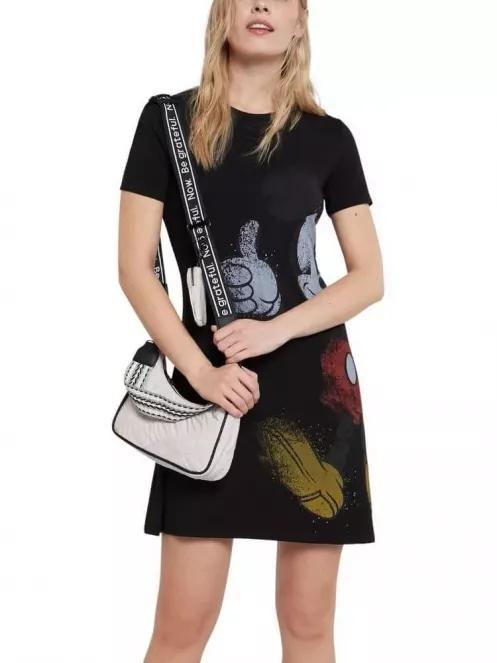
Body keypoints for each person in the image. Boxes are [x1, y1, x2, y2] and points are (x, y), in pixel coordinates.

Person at [118, 0, 383, 661]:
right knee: (180, 630)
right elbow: (134, 268)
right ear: (223, 14)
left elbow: (367, 278)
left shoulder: (328, 138)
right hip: (211, 391)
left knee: (309, 626)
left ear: (299, 21)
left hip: (314, 396)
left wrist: (275, 330)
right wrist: (201, 372)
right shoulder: (167, 122)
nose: (262, 4)